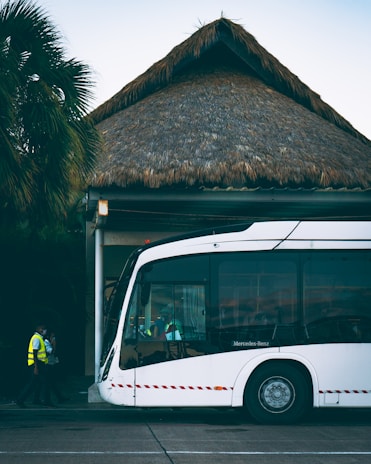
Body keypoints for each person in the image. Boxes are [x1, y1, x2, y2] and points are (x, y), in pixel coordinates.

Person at [16, 323, 49, 408]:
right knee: (32, 383)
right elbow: (34, 353)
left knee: (39, 383)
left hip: (38, 364)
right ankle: (20, 400)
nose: (44, 330)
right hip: (36, 364)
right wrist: (36, 367)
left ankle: (36, 399)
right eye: (42, 328)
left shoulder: (39, 338)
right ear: (38, 329)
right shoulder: (36, 339)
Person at [44, 330, 69, 404]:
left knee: (51, 382)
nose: (54, 338)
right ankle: (47, 400)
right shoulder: (46, 343)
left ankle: (59, 397)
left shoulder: (49, 342)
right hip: (47, 364)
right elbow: (51, 351)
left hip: (51, 364)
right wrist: (54, 344)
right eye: (52, 337)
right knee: (47, 383)